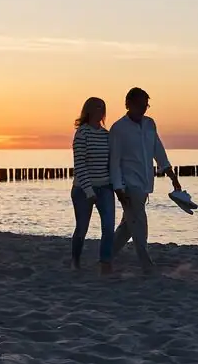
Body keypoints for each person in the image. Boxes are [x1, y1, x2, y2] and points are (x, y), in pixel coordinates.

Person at [108, 86, 182, 272]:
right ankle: (147, 265)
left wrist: (172, 175)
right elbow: (114, 161)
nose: (143, 109)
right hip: (128, 185)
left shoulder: (150, 124)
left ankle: (105, 256)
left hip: (145, 183)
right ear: (128, 104)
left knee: (127, 226)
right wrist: (118, 189)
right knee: (140, 223)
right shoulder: (118, 129)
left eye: (146, 105)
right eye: (140, 105)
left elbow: (158, 149)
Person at [70, 97, 115, 271]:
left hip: (105, 187)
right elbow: (79, 164)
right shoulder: (82, 133)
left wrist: (114, 184)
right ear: (88, 110)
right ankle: (75, 261)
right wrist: (89, 190)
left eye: (102, 107)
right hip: (82, 189)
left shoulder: (106, 135)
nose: (100, 110)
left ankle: (105, 263)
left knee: (108, 227)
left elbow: (110, 162)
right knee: (82, 229)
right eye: (96, 107)